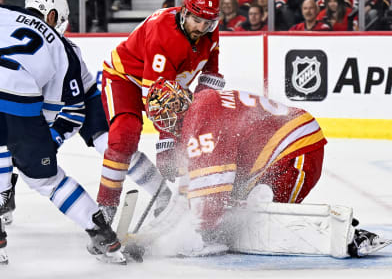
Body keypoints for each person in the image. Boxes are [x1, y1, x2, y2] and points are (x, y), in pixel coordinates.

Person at [0, 0, 171, 227]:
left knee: (111, 146)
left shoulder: (63, 50)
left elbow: (74, 111)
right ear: (52, 15)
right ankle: (3, 197)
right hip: (39, 107)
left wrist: (53, 138)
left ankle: (161, 192)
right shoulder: (48, 44)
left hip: (82, 103)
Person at [143, 77, 389, 258]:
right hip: (282, 151)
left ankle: (349, 239)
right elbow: (208, 178)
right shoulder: (202, 103)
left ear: (175, 109)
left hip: (296, 149)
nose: (165, 125)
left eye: (164, 117)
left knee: (263, 217)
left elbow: (212, 185)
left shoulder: (201, 118)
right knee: (240, 206)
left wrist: (207, 236)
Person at [0, 0, 125, 264]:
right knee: (48, 180)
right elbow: (66, 108)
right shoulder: (62, 47)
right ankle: (103, 234)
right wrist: (41, 142)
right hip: (21, 108)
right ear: (54, 15)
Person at [97, 0, 225, 224]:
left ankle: (189, 206)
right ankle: (105, 207)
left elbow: (210, 74)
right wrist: (167, 142)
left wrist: (199, 114)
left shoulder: (210, 31)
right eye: (196, 20)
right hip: (126, 79)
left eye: (207, 22)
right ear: (185, 12)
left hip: (169, 88)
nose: (201, 28)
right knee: (124, 135)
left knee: (195, 141)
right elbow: (157, 97)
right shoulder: (163, 31)